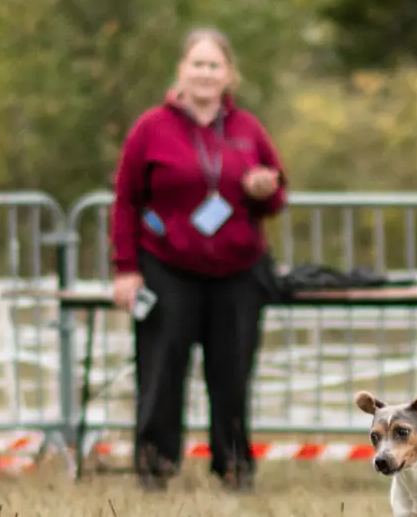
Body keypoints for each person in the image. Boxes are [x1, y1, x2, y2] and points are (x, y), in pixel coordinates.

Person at [110, 29, 288, 492]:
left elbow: (277, 192)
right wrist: (125, 269)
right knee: (162, 369)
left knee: (231, 373)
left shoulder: (248, 128)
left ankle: (233, 465)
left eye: (214, 66)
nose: (205, 74)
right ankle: (155, 464)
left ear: (229, 74)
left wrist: (265, 189)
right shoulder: (151, 127)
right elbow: (126, 199)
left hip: (238, 272)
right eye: (197, 64)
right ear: (181, 70)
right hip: (167, 267)